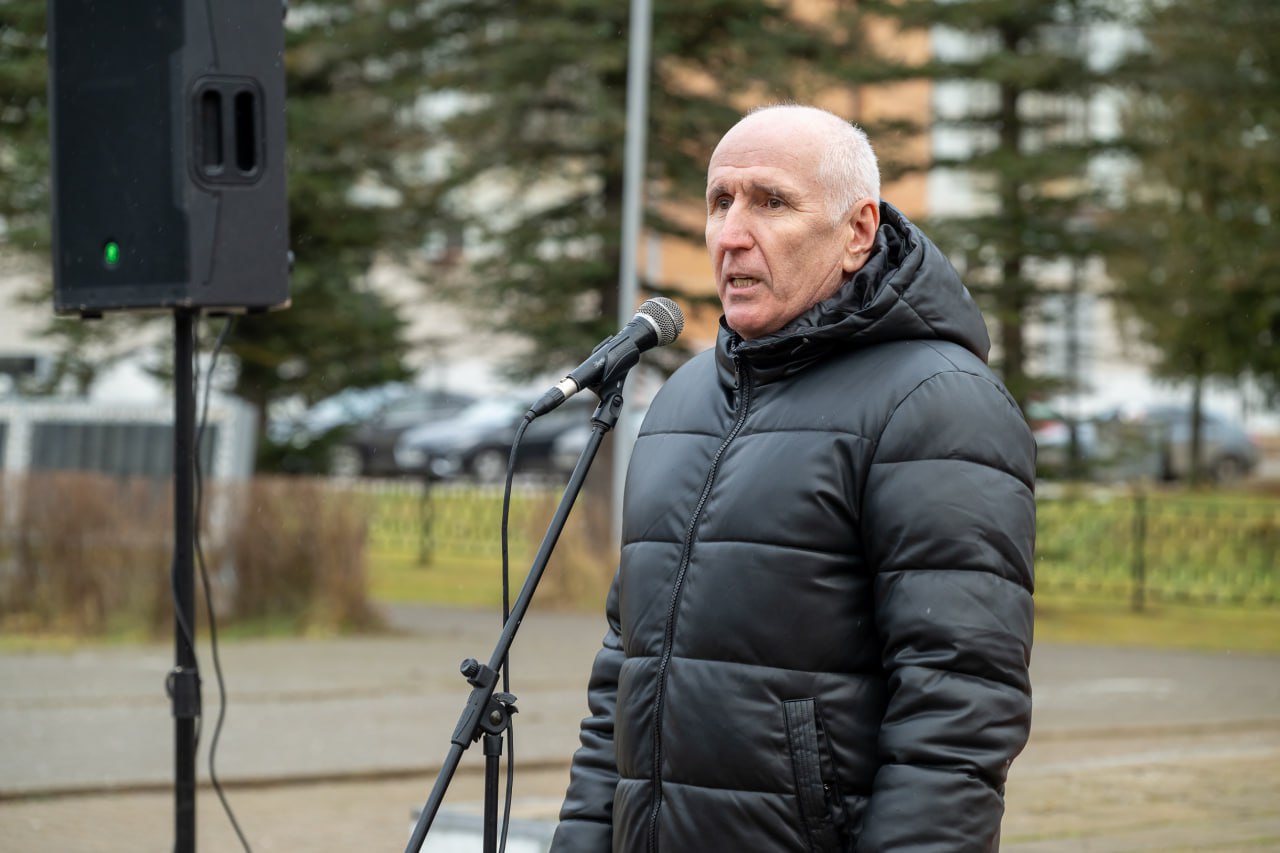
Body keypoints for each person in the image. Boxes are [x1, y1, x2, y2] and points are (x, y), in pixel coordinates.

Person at [550, 104, 1036, 852]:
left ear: (858, 232)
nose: (732, 234)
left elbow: (958, 709)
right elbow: (624, 672)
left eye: (771, 202)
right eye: (720, 201)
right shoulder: (681, 402)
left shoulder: (939, 402)